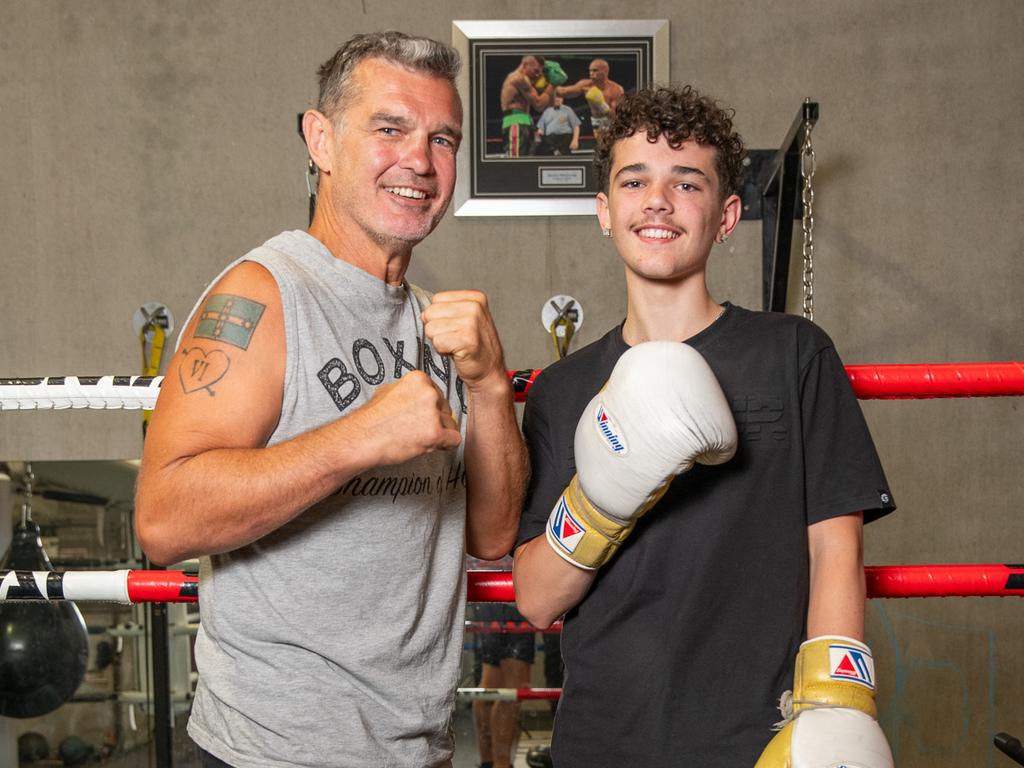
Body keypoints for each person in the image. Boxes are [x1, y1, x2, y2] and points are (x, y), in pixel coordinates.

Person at [134, 31, 527, 768]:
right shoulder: (263, 295)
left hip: (419, 749)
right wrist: (358, 438)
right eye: (390, 129)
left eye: (442, 139)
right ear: (321, 139)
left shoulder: (434, 321)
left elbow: (493, 535)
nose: (419, 160)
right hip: (272, 754)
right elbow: (163, 517)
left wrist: (490, 384)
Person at [512, 84, 896, 767]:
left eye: (686, 183)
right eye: (635, 180)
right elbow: (538, 600)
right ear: (605, 211)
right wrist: (600, 500)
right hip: (605, 741)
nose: (657, 199)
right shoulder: (563, 390)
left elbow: (835, 551)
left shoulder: (793, 354)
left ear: (726, 215)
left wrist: (836, 707)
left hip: (756, 737)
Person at [468, 558, 534, 768]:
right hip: (510, 588)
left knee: (491, 680)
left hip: (485, 586)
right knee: (514, 686)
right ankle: (501, 764)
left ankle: (489, 762)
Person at [555, 59, 624, 143]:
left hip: (612, 123)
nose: (591, 73)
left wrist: (601, 104)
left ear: (605, 71)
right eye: (590, 70)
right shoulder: (586, 85)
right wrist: (550, 82)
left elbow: (617, 117)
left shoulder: (616, 89)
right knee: (602, 147)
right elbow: (564, 92)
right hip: (596, 122)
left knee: (612, 147)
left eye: (595, 70)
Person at [499, 55, 555, 158]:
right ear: (525, 65)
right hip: (515, 123)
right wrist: (553, 84)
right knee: (516, 161)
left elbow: (548, 104)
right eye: (536, 71)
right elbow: (538, 104)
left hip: (526, 123)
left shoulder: (527, 81)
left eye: (540, 72)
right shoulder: (518, 78)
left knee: (530, 161)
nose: (538, 75)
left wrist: (551, 85)